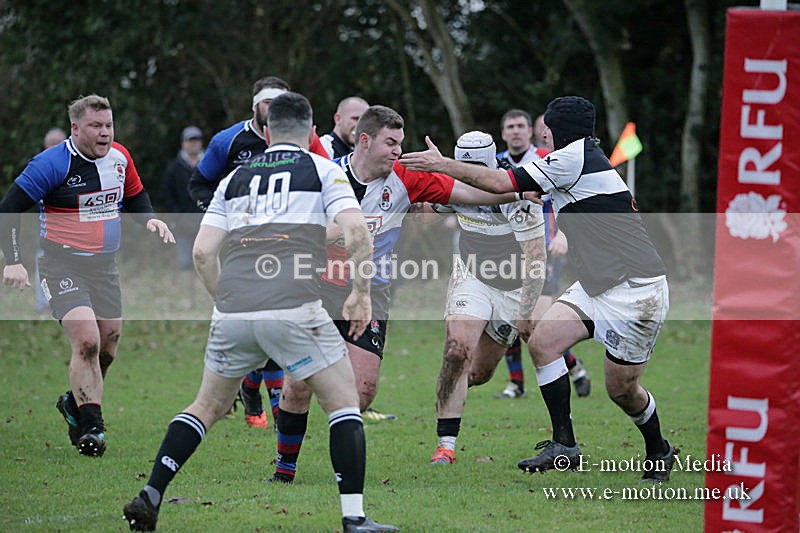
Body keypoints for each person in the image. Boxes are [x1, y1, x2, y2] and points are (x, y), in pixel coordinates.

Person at [122, 91, 398, 533]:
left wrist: (225, 301)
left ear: (266, 133)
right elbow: (357, 231)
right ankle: (354, 518)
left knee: (206, 406)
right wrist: (360, 294)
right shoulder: (323, 168)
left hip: (235, 307)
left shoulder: (234, 179)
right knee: (344, 403)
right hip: (293, 305)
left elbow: (202, 252)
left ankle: (152, 492)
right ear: (312, 133)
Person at [400, 95, 676, 482]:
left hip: (637, 290)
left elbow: (500, 181)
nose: (541, 131)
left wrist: (441, 165)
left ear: (557, 128)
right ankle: (565, 444)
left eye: (546, 125)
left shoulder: (572, 158)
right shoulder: (574, 159)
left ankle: (659, 449)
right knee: (543, 342)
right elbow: (509, 189)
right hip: (597, 285)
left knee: (622, 390)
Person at [270, 105, 523, 484]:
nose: (397, 151)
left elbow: (468, 193)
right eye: (391, 143)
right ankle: (284, 470)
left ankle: (325, 435)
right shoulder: (324, 175)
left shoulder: (404, 178)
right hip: (317, 288)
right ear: (365, 140)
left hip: (372, 292)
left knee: (363, 392)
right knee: (298, 384)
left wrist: (515, 191)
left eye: (401, 144)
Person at [0, 94, 174, 457]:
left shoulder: (120, 158)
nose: (105, 133)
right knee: (87, 341)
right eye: (96, 126)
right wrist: (13, 260)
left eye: (109, 125)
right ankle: (92, 430)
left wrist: (151, 218)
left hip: (104, 267)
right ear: (76, 128)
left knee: (108, 345)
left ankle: (75, 404)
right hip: (61, 264)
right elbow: (9, 209)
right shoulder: (52, 164)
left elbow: (135, 196)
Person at [187, 76, 303, 429]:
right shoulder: (229, 141)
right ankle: (263, 397)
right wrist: (224, 218)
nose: (273, 110)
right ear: (254, 105)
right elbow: (198, 183)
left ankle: (253, 390)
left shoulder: (300, 139)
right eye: (268, 103)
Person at [426, 131, 547, 464]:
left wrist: (527, 309)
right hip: (472, 276)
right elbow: (427, 205)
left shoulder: (517, 192)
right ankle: (446, 446)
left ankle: (451, 390)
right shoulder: (453, 184)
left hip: (512, 288)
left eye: (477, 167)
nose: (470, 175)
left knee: (478, 373)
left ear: (492, 162)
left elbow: (536, 257)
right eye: (464, 167)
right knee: (456, 352)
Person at [495, 109, 591, 400]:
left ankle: (572, 367)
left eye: (520, 126)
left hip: (543, 251)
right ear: (503, 133)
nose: (515, 131)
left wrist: (563, 234)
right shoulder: (496, 164)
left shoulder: (547, 158)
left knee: (536, 323)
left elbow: (568, 200)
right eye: (509, 126)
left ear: (530, 131)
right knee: (510, 318)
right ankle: (516, 384)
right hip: (507, 253)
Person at [160, 126, 204, 271]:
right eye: (190, 140)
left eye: (196, 140)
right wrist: (177, 216)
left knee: (204, 260)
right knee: (186, 263)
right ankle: (186, 291)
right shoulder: (173, 168)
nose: (193, 143)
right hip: (183, 223)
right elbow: (167, 194)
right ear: (183, 143)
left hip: (205, 222)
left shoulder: (209, 165)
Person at [34, 127, 68, 313]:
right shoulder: (39, 167)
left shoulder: (73, 165)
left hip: (74, 231)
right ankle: (44, 303)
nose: (55, 148)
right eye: (52, 144)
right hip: (47, 228)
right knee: (43, 262)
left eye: (58, 144)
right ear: (45, 146)